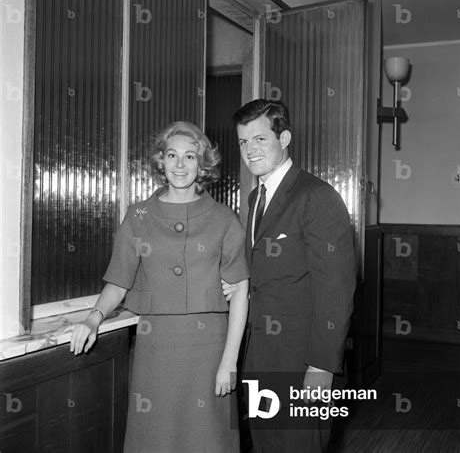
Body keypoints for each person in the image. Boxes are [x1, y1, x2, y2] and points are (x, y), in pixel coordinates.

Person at [69, 121, 249, 452]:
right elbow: (119, 281)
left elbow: (239, 291)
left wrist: (230, 361)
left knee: (209, 439)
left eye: (190, 156)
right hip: (157, 348)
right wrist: (94, 317)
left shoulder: (225, 220)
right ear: (161, 162)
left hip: (210, 349)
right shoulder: (138, 216)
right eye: (172, 155)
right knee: (156, 438)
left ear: (202, 163)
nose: (180, 165)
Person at [223, 99, 356, 452]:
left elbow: (337, 290)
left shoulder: (317, 197)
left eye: (260, 139)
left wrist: (321, 368)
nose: (250, 150)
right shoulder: (255, 199)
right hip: (260, 357)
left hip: (301, 362)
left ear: (284, 139)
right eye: (243, 141)